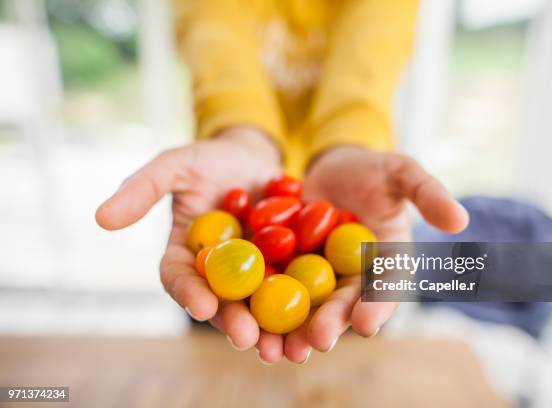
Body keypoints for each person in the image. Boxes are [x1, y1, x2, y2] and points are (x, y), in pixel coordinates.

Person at [95, 0, 469, 364]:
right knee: (219, 353)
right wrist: (242, 134)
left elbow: (371, 45)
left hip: (357, 198)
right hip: (217, 191)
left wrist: (348, 140)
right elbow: (215, 38)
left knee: (349, 354)